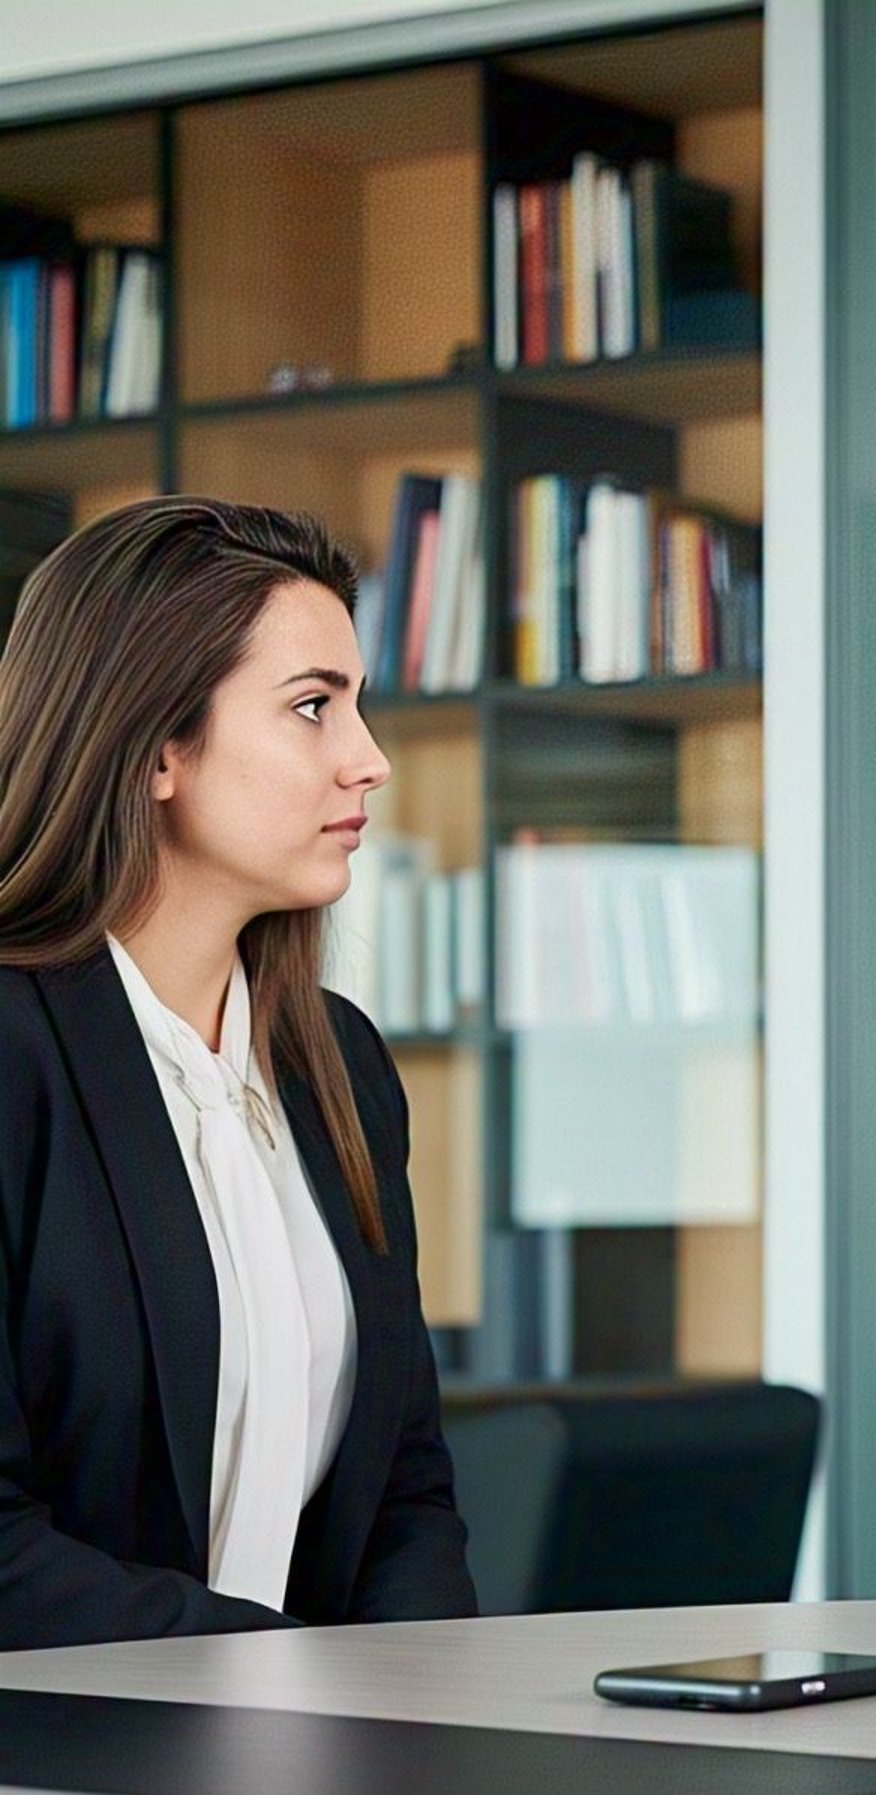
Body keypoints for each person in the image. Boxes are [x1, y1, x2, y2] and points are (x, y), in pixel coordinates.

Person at [0, 496, 476, 1649]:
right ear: (156, 745)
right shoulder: (14, 1056)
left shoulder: (340, 1065)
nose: (369, 761)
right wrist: (288, 1687)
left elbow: (406, 1493)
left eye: (358, 706)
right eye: (314, 707)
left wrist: (417, 1715)